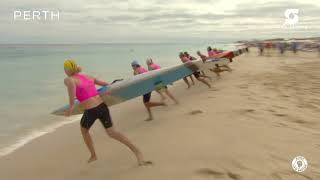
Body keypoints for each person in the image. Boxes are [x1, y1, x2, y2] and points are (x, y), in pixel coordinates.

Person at [63, 59, 151, 165]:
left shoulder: (69, 80)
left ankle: (93, 155)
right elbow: (106, 84)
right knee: (112, 133)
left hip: (91, 110)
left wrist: (70, 109)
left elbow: (72, 97)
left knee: (84, 130)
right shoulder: (87, 76)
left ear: (67, 69)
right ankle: (137, 152)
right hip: (102, 107)